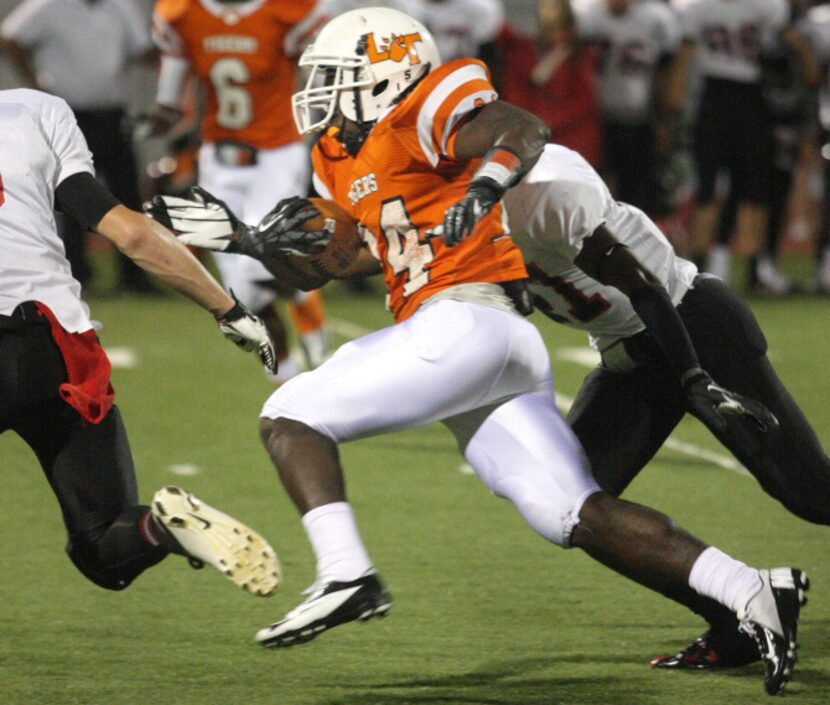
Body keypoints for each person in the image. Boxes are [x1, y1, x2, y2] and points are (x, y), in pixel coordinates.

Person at [147, 8, 812, 695]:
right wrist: (250, 241)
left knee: (291, 408)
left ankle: (346, 571)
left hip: (604, 321)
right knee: (572, 510)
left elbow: (532, 145)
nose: (318, 90)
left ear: (387, 77)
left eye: (336, 77)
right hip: (558, 346)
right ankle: (752, 594)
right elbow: (347, 257)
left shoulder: (469, 131)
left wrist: (695, 377)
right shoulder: (351, 157)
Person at [0, 87, 281, 601]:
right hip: (57, 345)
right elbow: (129, 233)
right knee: (105, 543)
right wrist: (228, 308)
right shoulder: (40, 109)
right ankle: (163, 527)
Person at [151, 0, 330, 383]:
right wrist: (153, 128)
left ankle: (302, 292)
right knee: (240, 291)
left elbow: (317, 78)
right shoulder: (182, 14)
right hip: (219, 156)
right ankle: (287, 376)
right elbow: (168, 99)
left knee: (258, 263)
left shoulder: (286, 10)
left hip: (276, 153)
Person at [1, 0, 158, 294]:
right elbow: (10, 37)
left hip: (113, 114)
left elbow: (143, 49)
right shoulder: (48, 5)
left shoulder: (120, 5)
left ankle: (135, 277)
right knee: (71, 196)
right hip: (68, 117)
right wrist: (34, 83)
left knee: (127, 194)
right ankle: (76, 272)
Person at [668, 0, 817, 281]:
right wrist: (674, 105)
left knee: (754, 187)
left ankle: (753, 267)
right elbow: (684, 56)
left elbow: (795, 44)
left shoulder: (763, 6)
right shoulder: (701, 8)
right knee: (708, 187)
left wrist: (809, 76)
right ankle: (702, 265)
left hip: (747, 97)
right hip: (718, 96)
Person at [574, 0, 682, 216]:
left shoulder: (657, 18)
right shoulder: (588, 15)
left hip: (639, 119)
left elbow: (667, 72)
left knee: (635, 192)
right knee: (591, 185)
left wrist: (665, 118)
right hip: (595, 119)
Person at [494, 0, 602, 167]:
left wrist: (550, 121)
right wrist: (529, 120)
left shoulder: (576, 52)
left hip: (571, 138)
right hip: (531, 136)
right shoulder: (523, 48)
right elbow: (514, 89)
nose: (548, 12)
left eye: (554, 6)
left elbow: (584, 100)